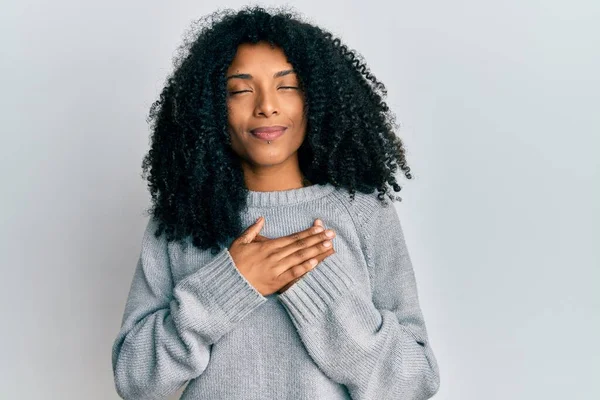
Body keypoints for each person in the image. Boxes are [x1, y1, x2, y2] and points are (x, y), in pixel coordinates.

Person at [111, 5, 440, 400]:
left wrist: (317, 290)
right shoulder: (183, 219)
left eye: (287, 86)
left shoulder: (363, 211)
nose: (266, 105)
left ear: (316, 97)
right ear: (212, 109)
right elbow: (134, 381)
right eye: (240, 90)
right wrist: (228, 287)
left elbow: (415, 382)